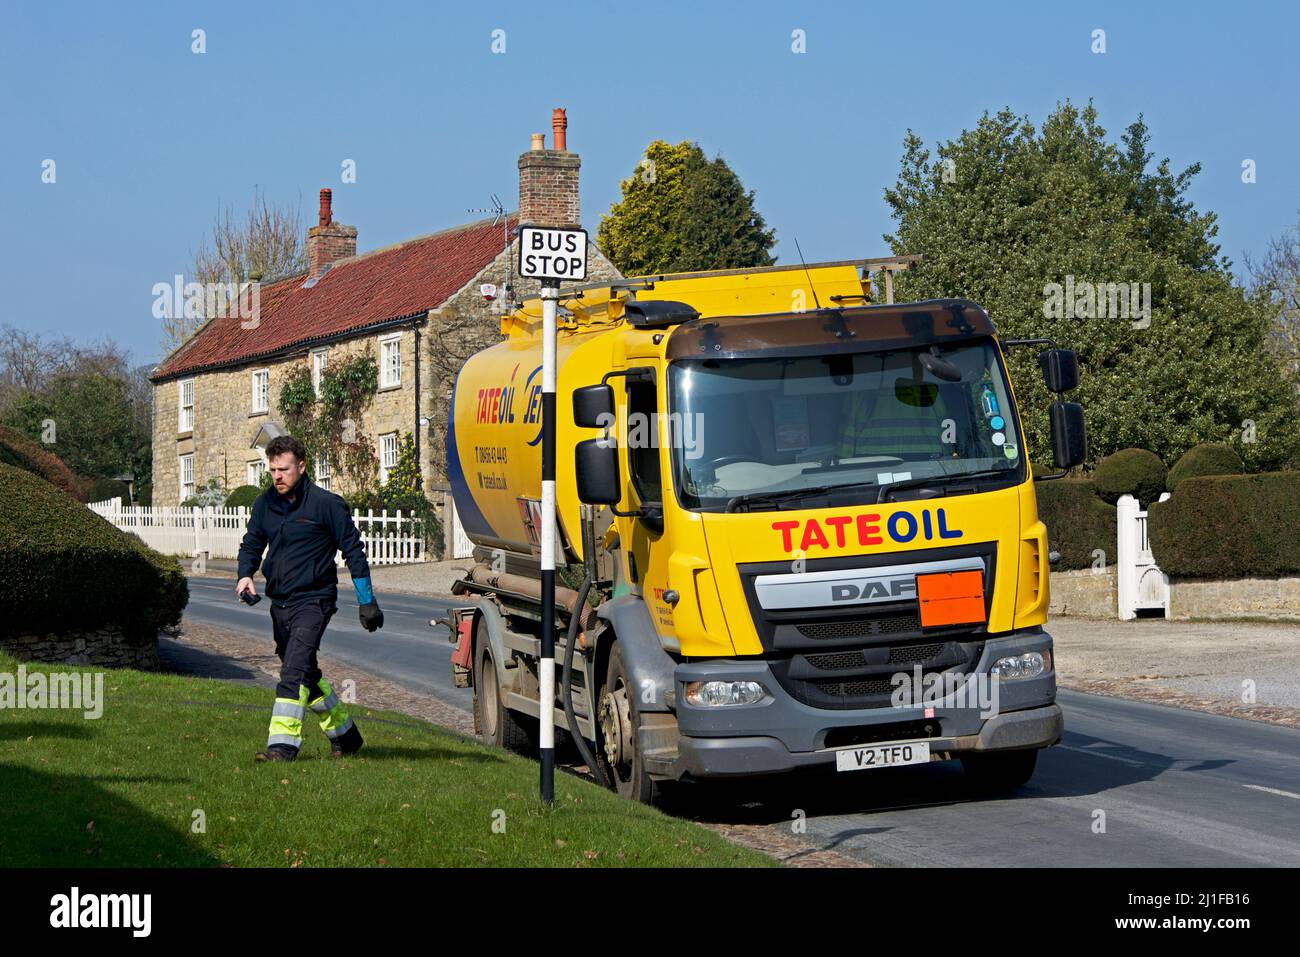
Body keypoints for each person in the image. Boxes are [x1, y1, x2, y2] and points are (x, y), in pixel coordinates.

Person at [236, 435, 384, 762]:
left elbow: (354, 551)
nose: (277, 476)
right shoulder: (264, 505)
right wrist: (245, 574)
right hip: (280, 604)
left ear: (301, 467)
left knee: (292, 672)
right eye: (273, 469)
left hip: (315, 601)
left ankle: (282, 747)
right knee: (305, 671)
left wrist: (367, 602)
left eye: (284, 469)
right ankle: (345, 736)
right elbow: (251, 543)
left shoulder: (326, 504)